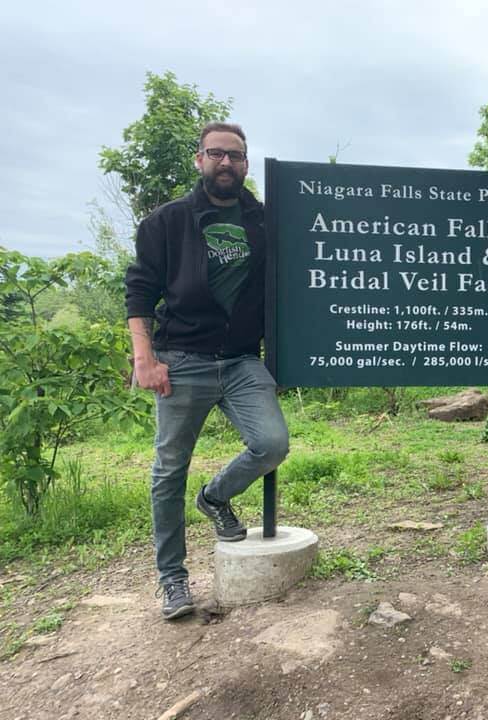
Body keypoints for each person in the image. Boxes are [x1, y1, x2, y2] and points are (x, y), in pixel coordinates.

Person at [125, 122, 289, 619]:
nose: (226, 163)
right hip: (181, 361)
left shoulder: (263, 221)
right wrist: (144, 359)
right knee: (168, 470)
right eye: (217, 154)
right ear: (199, 159)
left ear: (245, 164)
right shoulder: (167, 221)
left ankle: (215, 497)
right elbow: (139, 290)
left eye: (236, 156)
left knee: (272, 444)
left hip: (241, 360)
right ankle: (173, 581)